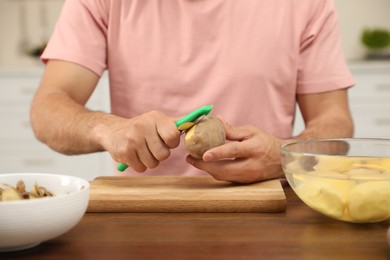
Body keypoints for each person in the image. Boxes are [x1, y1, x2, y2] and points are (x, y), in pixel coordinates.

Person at [30, 0, 354, 184]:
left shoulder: (306, 5)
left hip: (264, 206)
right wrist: (108, 128)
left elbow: (334, 120)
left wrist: (286, 156)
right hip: (144, 214)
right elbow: (48, 110)